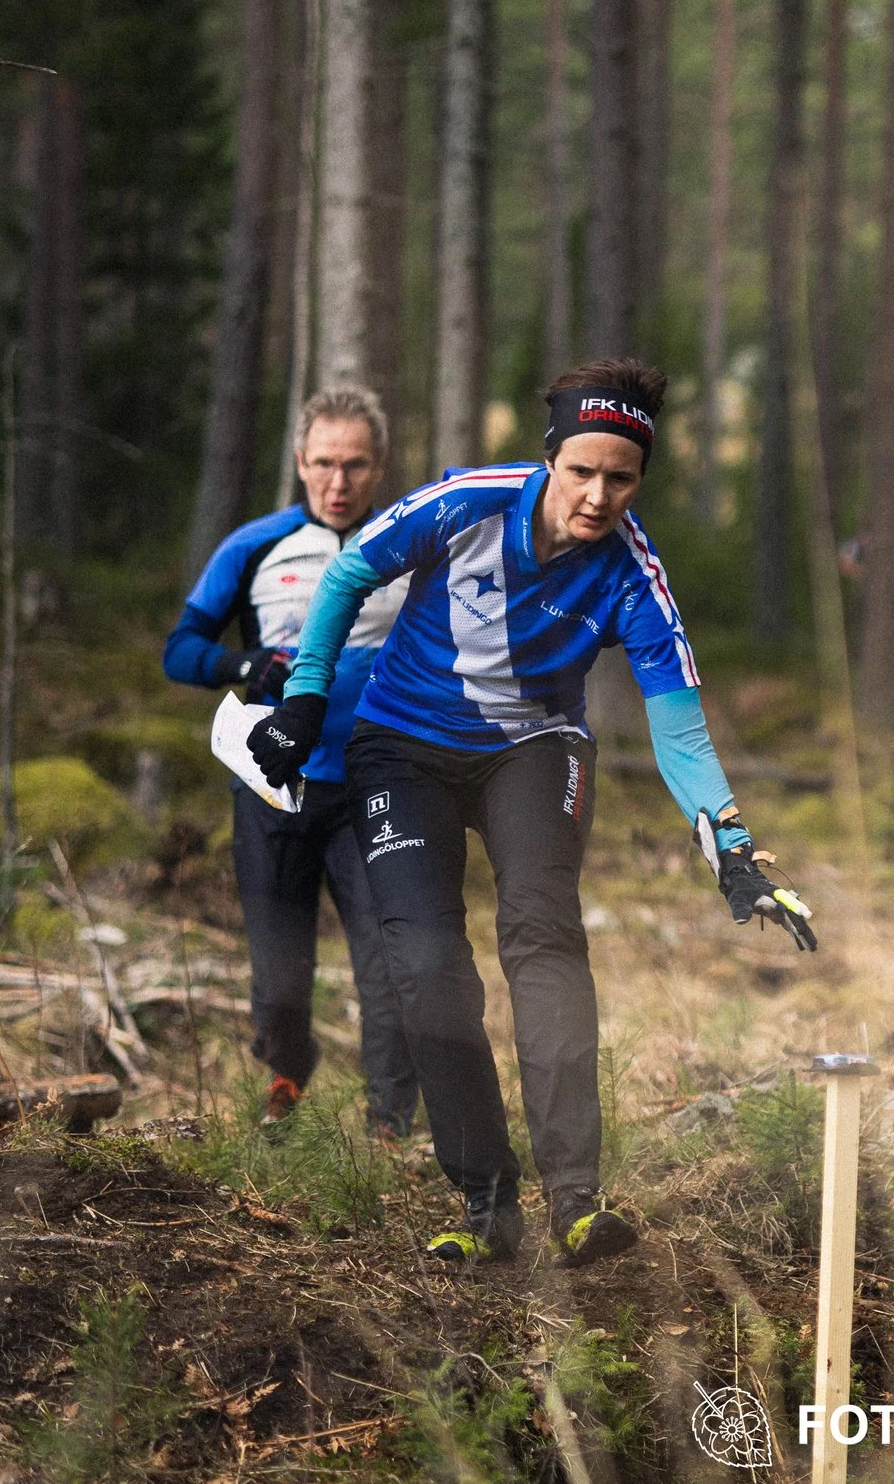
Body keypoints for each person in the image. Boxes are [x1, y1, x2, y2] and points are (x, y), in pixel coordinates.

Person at [248, 358, 818, 1269]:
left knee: (543, 935)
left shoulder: (632, 574)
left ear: (640, 478)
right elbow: (350, 570)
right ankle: (486, 1203)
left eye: (621, 479)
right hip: (403, 743)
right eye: (581, 470)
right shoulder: (467, 503)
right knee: (425, 964)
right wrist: (307, 696)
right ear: (550, 457)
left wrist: (736, 852)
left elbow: (681, 729)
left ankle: (577, 1200)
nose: (597, 496)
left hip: (536, 747)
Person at [163, 387, 421, 1136]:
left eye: (356, 465)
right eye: (324, 463)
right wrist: (243, 663)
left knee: (388, 963)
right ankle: (286, 1083)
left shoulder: (410, 544)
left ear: (379, 468)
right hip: (274, 787)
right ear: (300, 462)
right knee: (279, 977)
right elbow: (179, 650)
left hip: (378, 783)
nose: (339, 482)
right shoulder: (253, 545)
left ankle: (389, 1124)